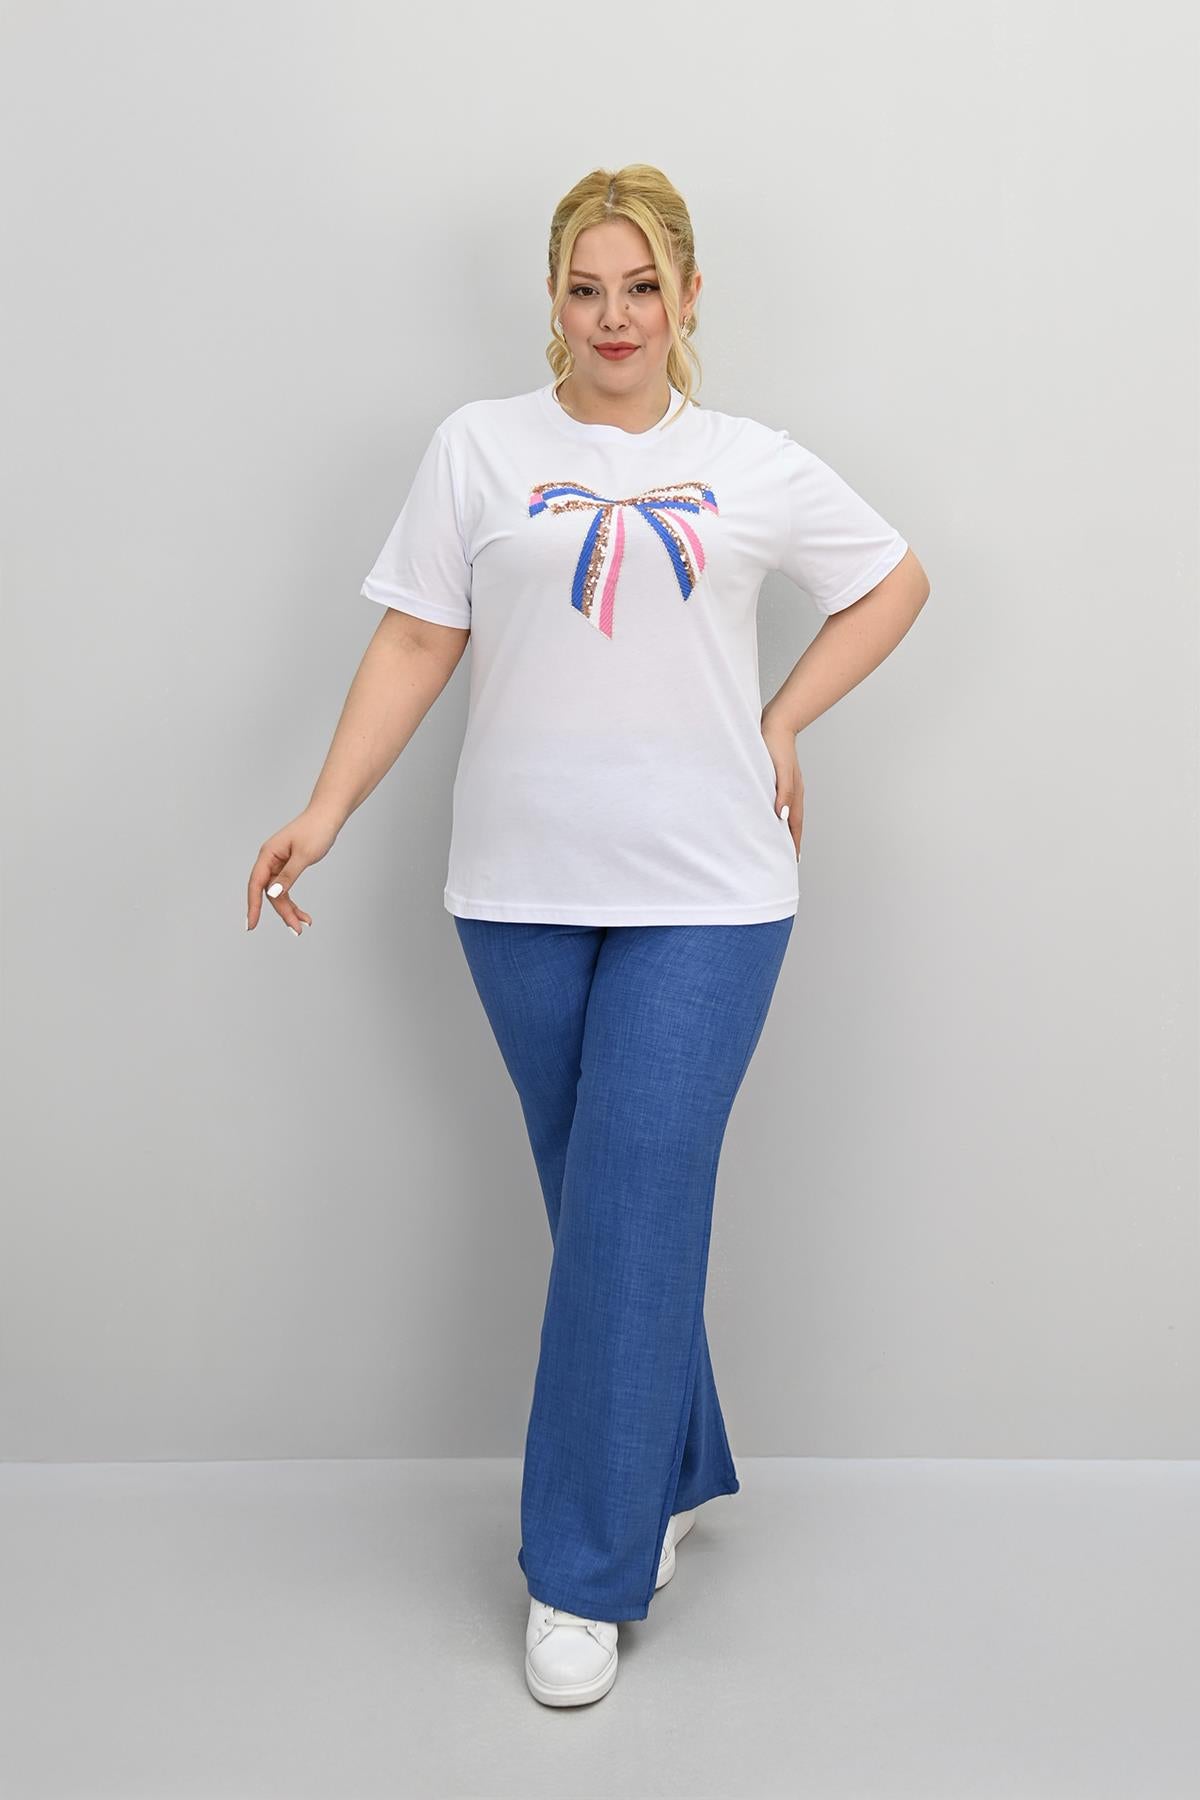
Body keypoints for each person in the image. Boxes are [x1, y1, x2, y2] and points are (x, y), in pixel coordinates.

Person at [245, 163, 930, 1708]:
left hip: (713, 894)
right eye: (585, 288)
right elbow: (417, 635)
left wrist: (782, 720)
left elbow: (894, 583)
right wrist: (327, 809)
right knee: (609, 1204)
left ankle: (579, 1569)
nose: (614, 317)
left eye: (642, 288)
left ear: (689, 297)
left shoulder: (748, 461)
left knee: (629, 1194)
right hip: (517, 893)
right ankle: (665, 1465)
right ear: (552, 299)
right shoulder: (479, 449)